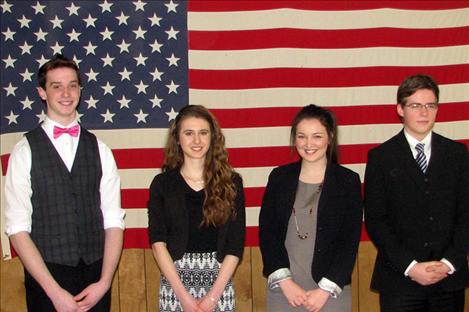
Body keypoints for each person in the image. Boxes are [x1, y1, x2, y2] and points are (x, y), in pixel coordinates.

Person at [4, 54, 125, 311]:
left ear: (80, 90)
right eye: (56, 86)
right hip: (46, 277)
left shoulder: (100, 149)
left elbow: (113, 221)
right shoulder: (25, 150)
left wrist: (104, 282)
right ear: (42, 92)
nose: (66, 93)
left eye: (72, 85)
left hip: (95, 276)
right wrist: (53, 292)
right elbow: (17, 228)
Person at [364, 74, 469, 312]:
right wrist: (410, 267)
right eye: (415, 105)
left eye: (430, 105)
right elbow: (376, 220)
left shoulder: (457, 154)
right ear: (400, 109)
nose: (424, 112)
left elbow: (466, 215)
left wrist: (448, 263)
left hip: (448, 281)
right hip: (400, 282)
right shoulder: (381, 157)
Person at [259, 104, 363, 312]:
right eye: (301, 136)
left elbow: (349, 241)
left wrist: (325, 290)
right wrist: (285, 282)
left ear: (330, 137)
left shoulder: (348, 181)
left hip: (330, 294)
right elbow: (267, 233)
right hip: (285, 292)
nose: (308, 144)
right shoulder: (279, 178)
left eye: (317, 136)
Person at [147, 105, 246, 312]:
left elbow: (235, 246)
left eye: (203, 133)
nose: (197, 140)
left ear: (213, 137)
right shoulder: (162, 184)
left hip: (219, 283)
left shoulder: (232, 183)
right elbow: (158, 244)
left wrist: (212, 298)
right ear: (177, 138)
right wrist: (184, 297)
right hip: (175, 283)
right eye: (189, 133)